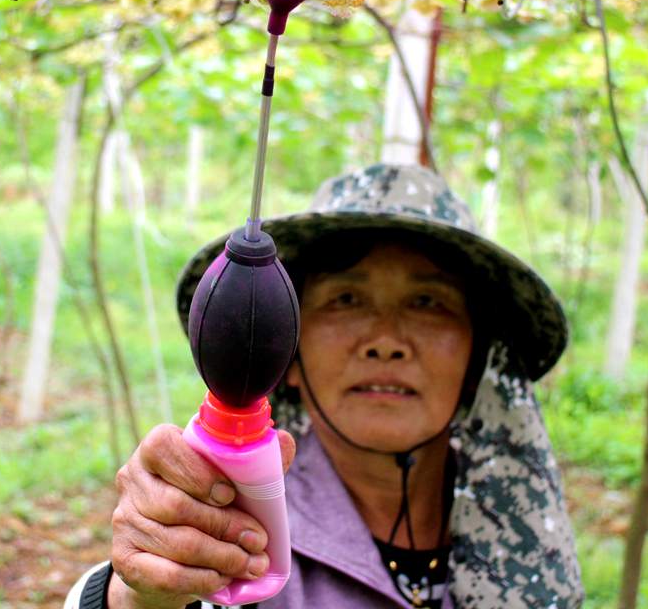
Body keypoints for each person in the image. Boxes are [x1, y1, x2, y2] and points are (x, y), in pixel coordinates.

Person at [65, 163, 584, 609]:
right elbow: (154, 593)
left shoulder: (521, 531)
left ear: (479, 361)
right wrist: (139, 594)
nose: (385, 340)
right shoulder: (232, 523)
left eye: (428, 302)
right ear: (285, 350)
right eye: (346, 300)